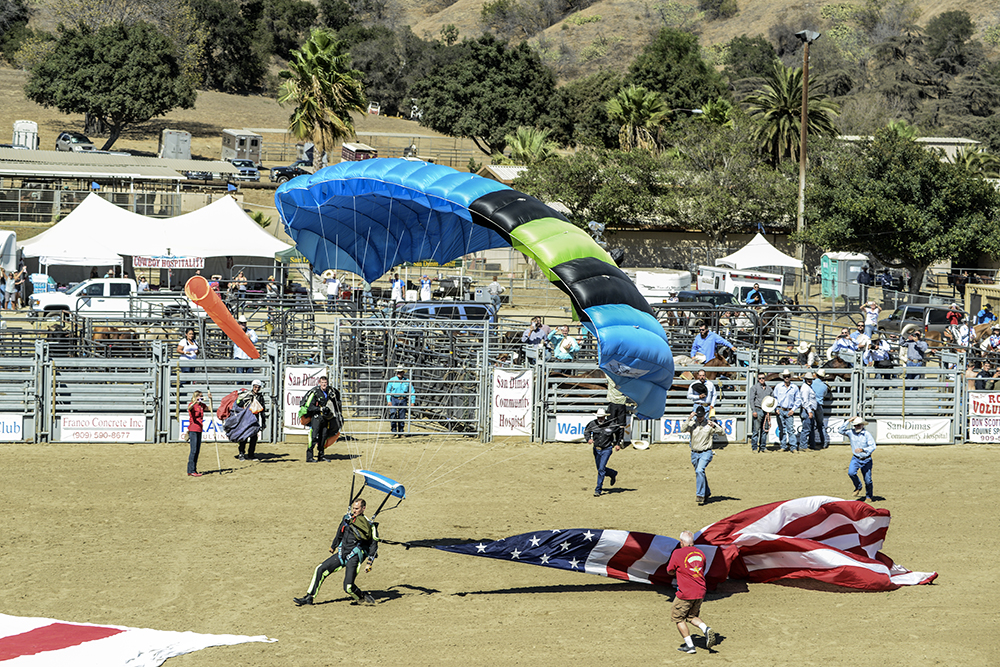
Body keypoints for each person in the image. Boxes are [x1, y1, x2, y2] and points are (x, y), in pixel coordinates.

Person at [293, 498, 378, 607]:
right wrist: (333, 546)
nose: (354, 510)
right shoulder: (347, 518)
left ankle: (362, 597)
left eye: (357, 508)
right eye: (353, 508)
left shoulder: (368, 525)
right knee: (320, 569)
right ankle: (309, 597)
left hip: (354, 556)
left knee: (348, 587)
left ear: (363, 508)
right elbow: (340, 532)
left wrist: (369, 562)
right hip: (341, 553)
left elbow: (374, 544)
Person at [667, 531, 718, 654]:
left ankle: (690, 646)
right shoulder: (700, 553)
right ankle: (706, 628)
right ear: (693, 542)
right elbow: (701, 570)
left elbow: (669, 570)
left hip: (686, 592)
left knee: (678, 618)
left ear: (681, 542)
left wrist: (676, 573)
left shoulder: (678, 553)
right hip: (700, 591)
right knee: (691, 616)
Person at [682, 407, 723, 505]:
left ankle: (700, 495)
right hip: (694, 453)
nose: (700, 418)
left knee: (699, 470)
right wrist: (689, 419)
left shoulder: (709, 425)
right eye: (698, 416)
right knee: (700, 473)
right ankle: (706, 492)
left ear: (704, 415)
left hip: (706, 452)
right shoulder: (692, 424)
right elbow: (683, 429)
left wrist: (714, 426)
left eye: (701, 416)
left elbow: (721, 432)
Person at [301, 376, 344, 462]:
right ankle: (309, 457)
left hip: (325, 418)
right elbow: (310, 407)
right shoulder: (316, 393)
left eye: (325, 383)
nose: (324, 384)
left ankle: (321, 456)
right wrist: (320, 409)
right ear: (319, 383)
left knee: (323, 436)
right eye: (322, 382)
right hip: (317, 418)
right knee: (313, 437)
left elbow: (336, 403)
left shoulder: (329, 392)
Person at [586, 407, 622, 497]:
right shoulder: (592, 424)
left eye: (601, 417)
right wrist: (588, 439)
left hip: (607, 449)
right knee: (600, 469)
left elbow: (619, 431)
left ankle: (598, 489)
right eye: (599, 417)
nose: (600, 419)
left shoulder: (611, 424)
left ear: (605, 417)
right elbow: (587, 431)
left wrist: (618, 443)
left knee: (601, 469)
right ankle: (612, 473)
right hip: (596, 449)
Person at [839, 417, 877, 502]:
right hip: (856, 458)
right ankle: (858, 486)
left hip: (866, 459)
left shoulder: (867, 434)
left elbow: (873, 446)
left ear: (862, 425)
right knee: (851, 473)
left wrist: (863, 449)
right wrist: (848, 421)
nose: (857, 427)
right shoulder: (850, 432)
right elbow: (840, 431)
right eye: (855, 425)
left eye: (858, 425)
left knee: (868, 480)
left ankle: (868, 496)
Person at [234, 379, 267, 460]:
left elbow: (262, 410)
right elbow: (240, 404)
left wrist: (263, 422)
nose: (257, 388)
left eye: (258, 387)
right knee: (244, 437)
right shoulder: (247, 395)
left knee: (254, 438)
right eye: (255, 387)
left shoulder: (260, 397)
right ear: (253, 387)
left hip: (255, 420)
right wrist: (249, 400)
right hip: (245, 419)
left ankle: (251, 454)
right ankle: (241, 453)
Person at [186, 390, 213, 477]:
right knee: (193, 450)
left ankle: (193, 469)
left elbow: (210, 408)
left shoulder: (202, 405)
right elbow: (189, 408)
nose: (201, 397)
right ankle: (191, 469)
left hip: (199, 429)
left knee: (197, 450)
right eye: (199, 396)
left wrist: (210, 399)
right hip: (193, 429)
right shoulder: (192, 405)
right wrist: (195, 402)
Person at [772, 370, 800, 452]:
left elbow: (798, 400)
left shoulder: (794, 387)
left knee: (790, 429)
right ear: (783, 377)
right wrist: (776, 408)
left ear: (790, 377)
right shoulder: (778, 386)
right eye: (785, 376)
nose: (786, 378)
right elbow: (775, 398)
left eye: (788, 376)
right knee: (782, 429)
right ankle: (783, 446)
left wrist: (793, 409)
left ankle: (793, 447)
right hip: (780, 409)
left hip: (789, 410)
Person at [747, 373, 773, 453]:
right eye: (760, 378)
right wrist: (753, 410)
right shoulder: (754, 388)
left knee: (764, 430)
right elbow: (751, 400)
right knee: (756, 430)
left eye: (763, 378)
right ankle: (754, 447)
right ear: (758, 379)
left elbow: (772, 399)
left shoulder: (769, 389)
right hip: (758, 409)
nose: (761, 379)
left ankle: (763, 447)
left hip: (766, 411)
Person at [386, 368, 414, 437]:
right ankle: (393, 431)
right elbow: (388, 391)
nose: (399, 373)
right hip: (394, 399)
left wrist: (412, 401)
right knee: (393, 414)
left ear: (403, 373)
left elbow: (412, 391)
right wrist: (389, 400)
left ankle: (401, 432)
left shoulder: (407, 381)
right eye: (398, 372)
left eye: (401, 372)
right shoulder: (392, 380)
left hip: (403, 399)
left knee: (402, 416)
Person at [798, 373, 818, 452]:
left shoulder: (807, 387)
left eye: (811, 379)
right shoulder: (806, 388)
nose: (810, 380)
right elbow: (805, 401)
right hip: (807, 410)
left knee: (809, 428)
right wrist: (809, 411)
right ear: (805, 379)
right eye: (808, 379)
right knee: (806, 429)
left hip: (808, 410)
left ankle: (809, 445)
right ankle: (803, 446)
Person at [811, 369, 829, 449]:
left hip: (811, 405)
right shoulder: (825, 386)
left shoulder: (811, 383)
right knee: (820, 425)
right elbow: (824, 394)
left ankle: (811, 443)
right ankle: (824, 442)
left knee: (811, 424)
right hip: (819, 405)